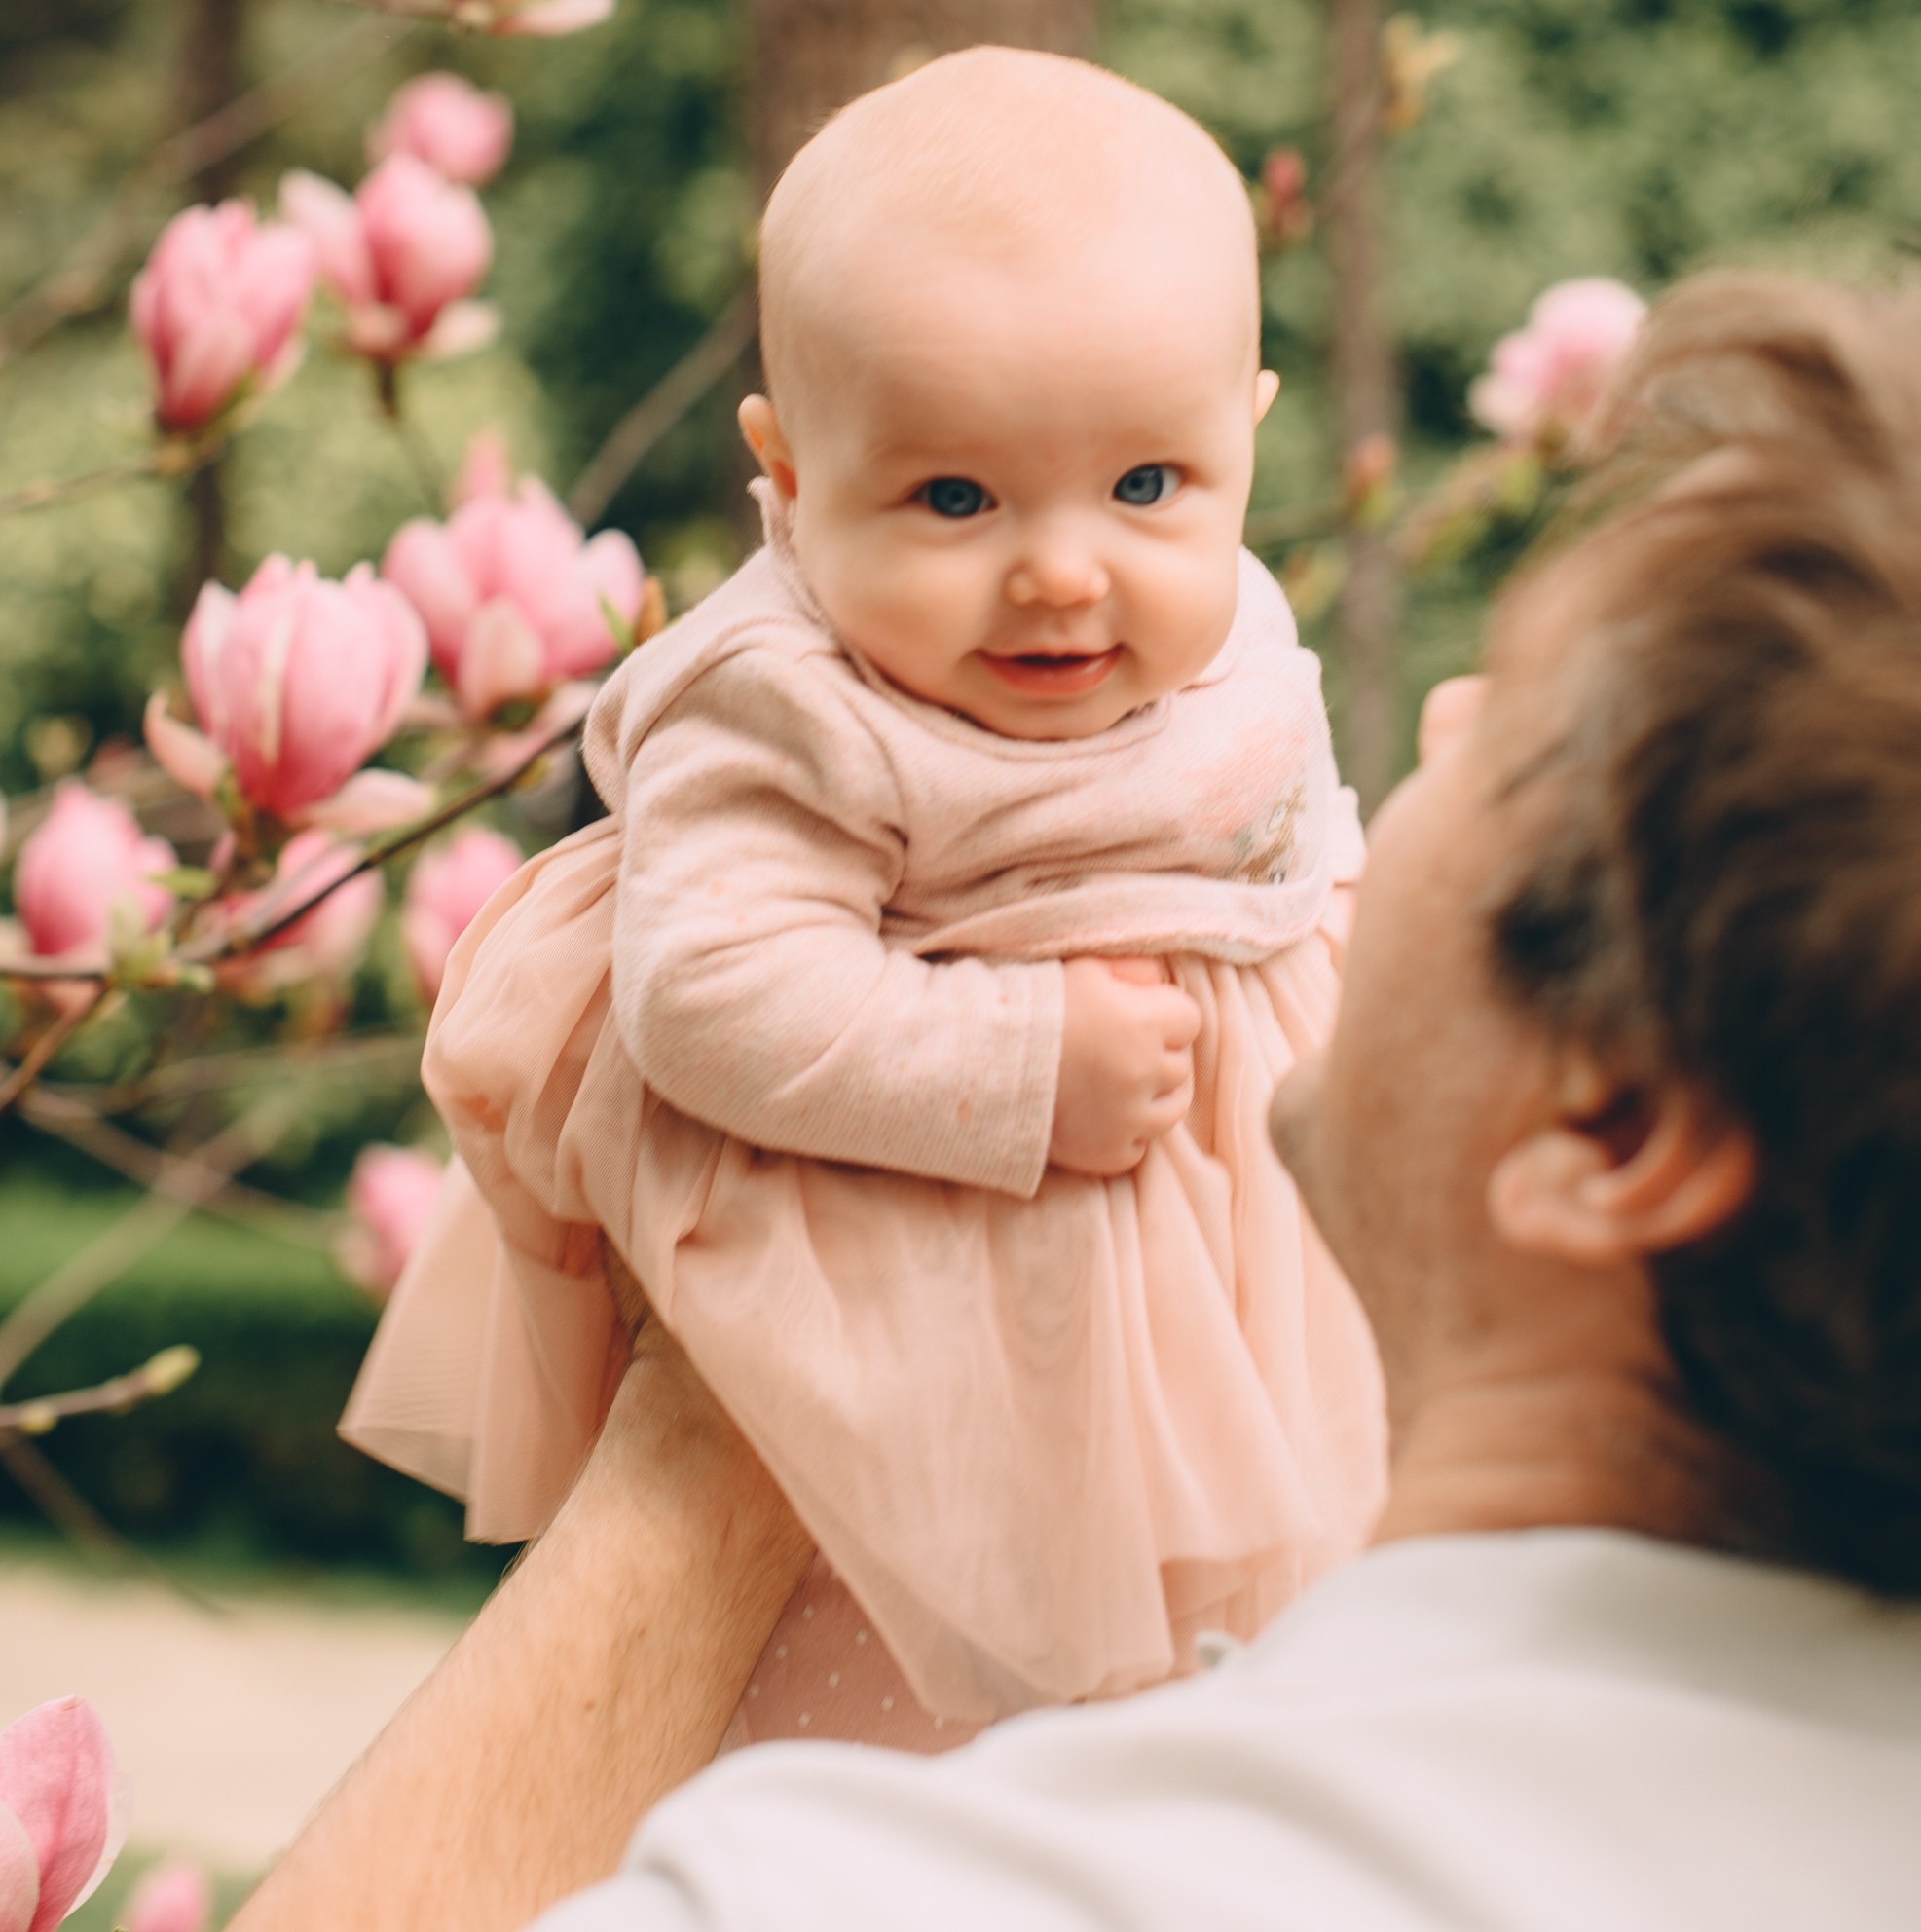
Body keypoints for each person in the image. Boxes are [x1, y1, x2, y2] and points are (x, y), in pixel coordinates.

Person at [235, 272, 1921, 1932]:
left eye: (1519, 743)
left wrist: (731, 1407)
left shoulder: (917, 1895)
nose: (1443, 711)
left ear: (1610, 1129)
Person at [342, 46, 1385, 1748]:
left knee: (1240, 1696)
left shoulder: (1227, 622)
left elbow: (1282, 840)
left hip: (1230, 1275)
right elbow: (714, 998)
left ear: (1243, 436)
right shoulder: (788, 703)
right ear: (795, 468)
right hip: (937, 1285)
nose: (1063, 569)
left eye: (1146, 488)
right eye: (955, 498)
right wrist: (1023, 1057)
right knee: (907, 1702)